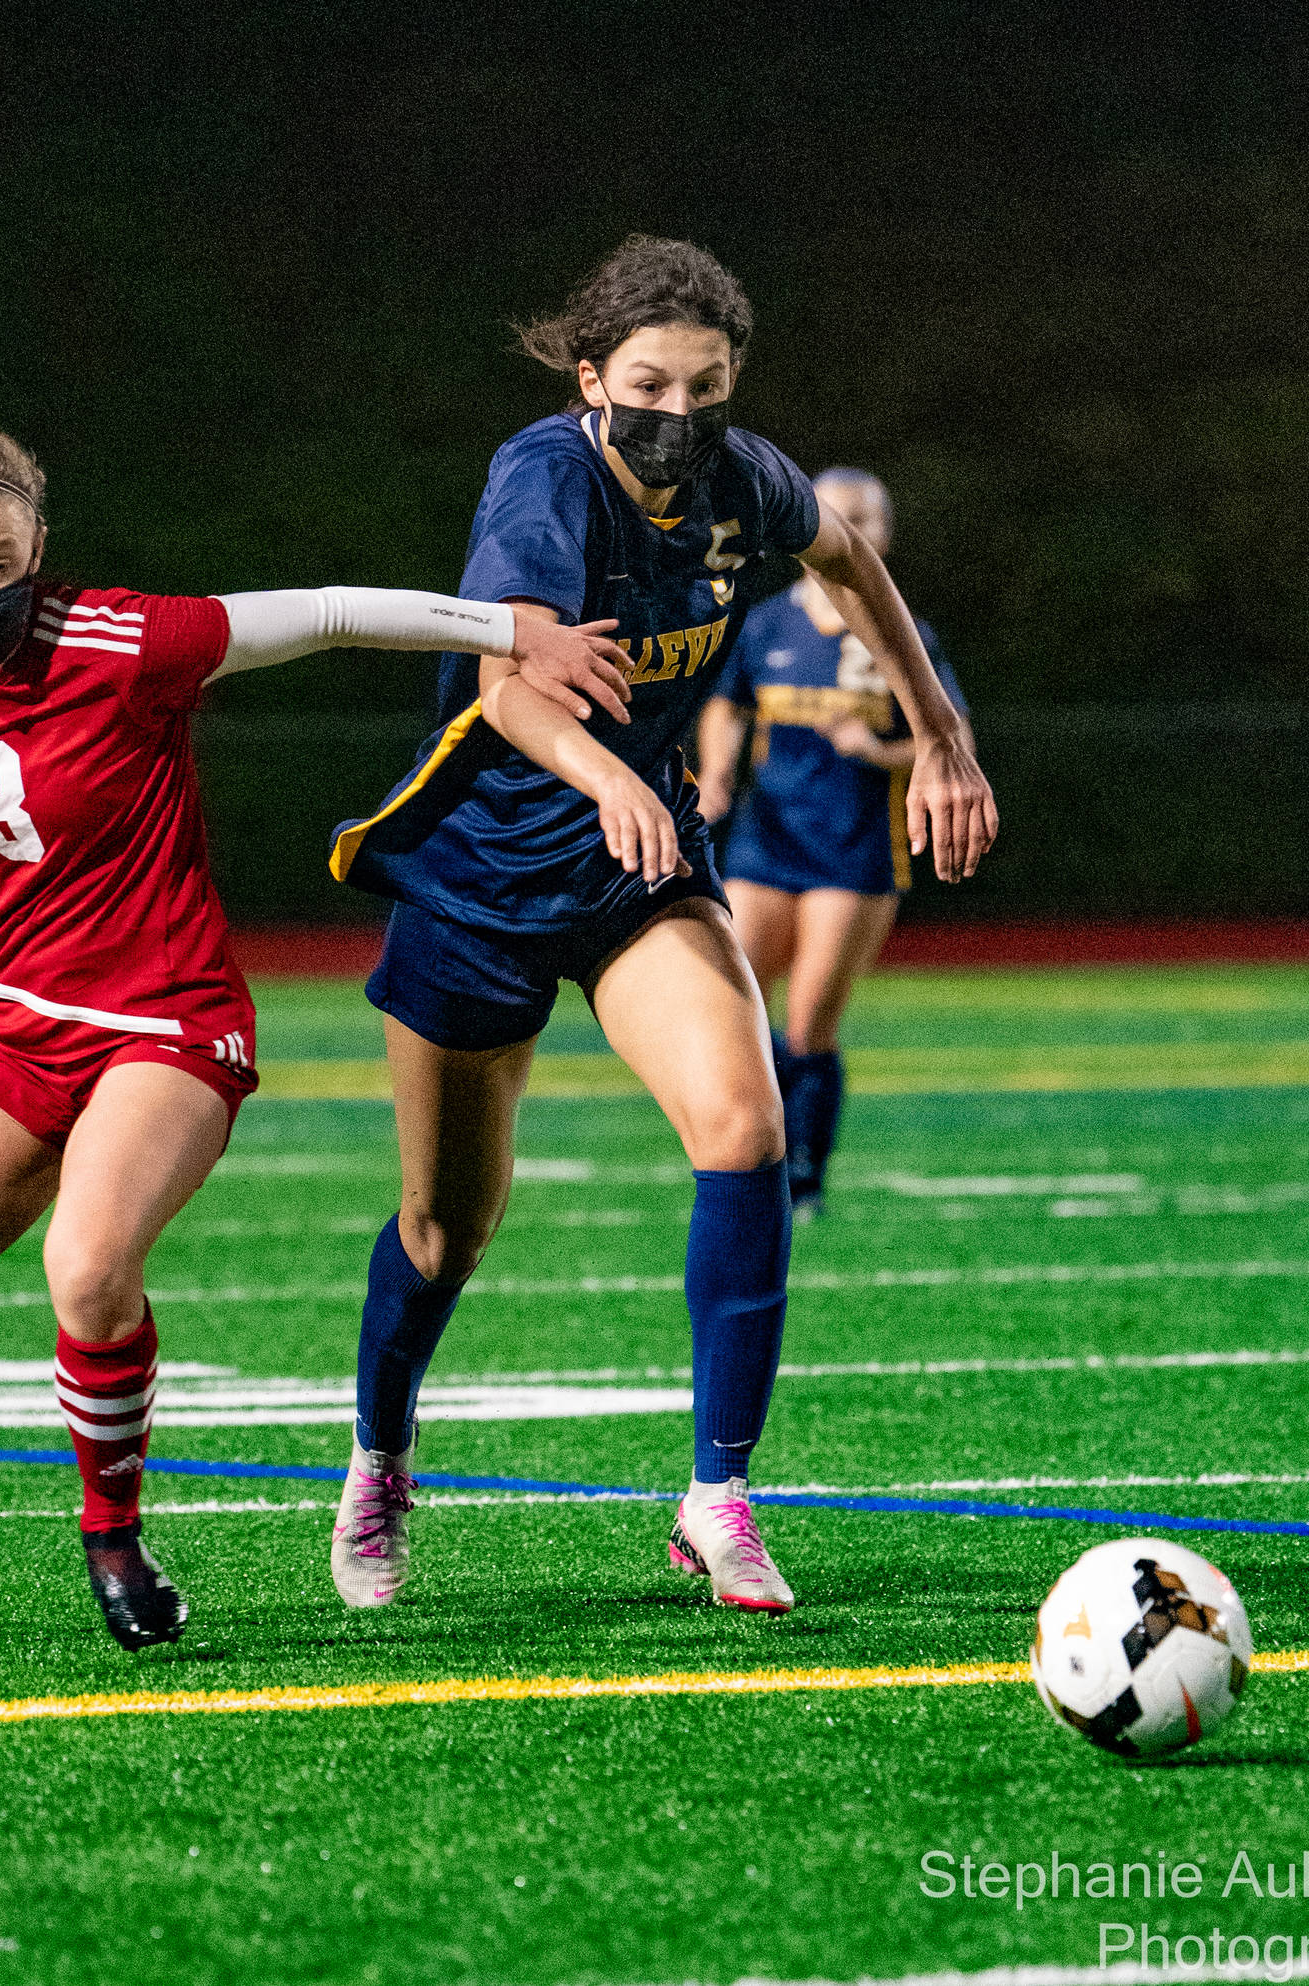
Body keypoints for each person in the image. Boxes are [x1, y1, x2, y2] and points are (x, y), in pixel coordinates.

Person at [0, 358, 631, 1650]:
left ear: (35, 547)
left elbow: (327, 609)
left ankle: (115, 1545)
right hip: (14, 1030)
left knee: (88, 1268)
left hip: (167, 1022)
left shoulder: (126, 641)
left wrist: (513, 629)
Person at [325, 238, 996, 1615]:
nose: (677, 414)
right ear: (591, 377)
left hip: (641, 869)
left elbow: (853, 558)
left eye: (707, 387)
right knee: (446, 1226)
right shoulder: (544, 477)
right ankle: (382, 1456)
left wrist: (942, 739)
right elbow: (511, 686)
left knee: (746, 1130)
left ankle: (716, 1495)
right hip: (487, 874)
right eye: (647, 384)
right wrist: (614, 771)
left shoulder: (746, 481)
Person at [697, 468, 975, 1220]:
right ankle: (749, 1156)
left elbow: (951, 746)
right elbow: (726, 706)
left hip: (854, 851)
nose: (855, 528)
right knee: (737, 1009)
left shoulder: (902, 634)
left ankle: (804, 1178)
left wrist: (876, 750)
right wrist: (717, 773)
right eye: (840, 514)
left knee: (809, 1021)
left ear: (884, 535)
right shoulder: (766, 623)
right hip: (765, 842)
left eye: (870, 517)